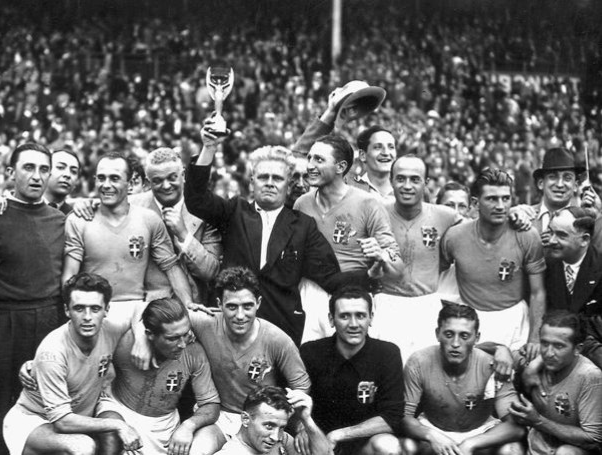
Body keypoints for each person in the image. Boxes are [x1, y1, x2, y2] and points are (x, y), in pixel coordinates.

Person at [185, 118, 368, 345]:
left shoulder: (303, 226)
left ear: (288, 186)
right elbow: (196, 199)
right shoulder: (234, 211)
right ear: (252, 182)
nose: (270, 183)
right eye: (263, 177)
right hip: (230, 325)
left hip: (281, 330)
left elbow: (330, 277)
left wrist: (372, 275)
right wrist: (209, 147)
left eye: (277, 178)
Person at [136, 267, 312, 453]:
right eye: (232, 307)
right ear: (220, 304)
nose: (240, 315)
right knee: (195, 451)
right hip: (221, 418)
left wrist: (292, 420)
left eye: (247, 306)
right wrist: (141, 340)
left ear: (258, 303)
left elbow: (301, 385)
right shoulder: (205, 322)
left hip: (259, 422)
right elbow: (150, 312)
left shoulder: (277, 339)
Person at [0, 142, 65, 455]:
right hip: (3, 322)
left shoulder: (60, 219)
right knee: (1, 406)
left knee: (47, 406)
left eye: (44, 169)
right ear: (9, 173)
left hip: (49, 321)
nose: (37, 176)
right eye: (28, 167)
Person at [3, 273, 142, 455]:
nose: (87, 317)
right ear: (67, 310)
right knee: (83, 446)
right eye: (79, 308)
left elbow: (141, 308)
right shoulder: (53, 352)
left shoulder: (110, 329)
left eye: (95, 308)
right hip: (35, 420)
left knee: (114, 437)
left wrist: (140, 339)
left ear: (107, 309)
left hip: (79, 416)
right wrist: (118, 425)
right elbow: (62, 422)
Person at [63, 152, 195, 325]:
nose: (106, 185)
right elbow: (70, 276)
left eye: (114, 178)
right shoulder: (79, 220)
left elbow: (171, 266)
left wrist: (188, 304)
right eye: (101, 178)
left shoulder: (149, 219)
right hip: (94, 311)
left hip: (136, 312)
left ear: (130, 182)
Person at [294, 133, 403, 342]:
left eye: (319, 159)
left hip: (353, 296)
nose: (310, 166)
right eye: (309, 158)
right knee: (309, 356)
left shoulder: (367, 204)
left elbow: (397, 268)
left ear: (341, 167)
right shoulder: (302, 204)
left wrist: (382, 255)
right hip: (311, 294)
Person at [440, 168, 546, 360]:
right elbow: (436, 275)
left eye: (505, 199)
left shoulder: (527, 236)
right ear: (475, 203)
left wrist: (535, 337)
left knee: (521, 374)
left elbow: (537, 292)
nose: (500, 206)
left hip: (514, 322)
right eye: (492, 199)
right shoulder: (454, 237)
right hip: (469, 321)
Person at [97, 297, 221, 455]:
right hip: (120, 410)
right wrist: (139, 338)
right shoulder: (125, 343)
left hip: (164, 425)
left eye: (186, 334)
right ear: (150, 334)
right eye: (172, 338)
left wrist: (188, 426)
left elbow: (211, 404)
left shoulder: (193, 352)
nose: (182, 344)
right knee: (111, 438)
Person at [402, 303, 525, 455]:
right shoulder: (419, 361)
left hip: (480, 431)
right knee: (407, 446)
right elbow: (404, 418)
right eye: (448, 334)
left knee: (512, 450)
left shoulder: (492, 364)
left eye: (464, 336)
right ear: (437, 334)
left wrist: (471, 443)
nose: (455, 343)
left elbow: (515, 426)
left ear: (476, 338)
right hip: (435, 429)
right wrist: (431, 435)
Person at [371, 154, 460, 362]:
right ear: (391, 180)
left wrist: (520, 212)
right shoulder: (376, 212)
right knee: (388, 370)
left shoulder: (445, 215)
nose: (407, 186)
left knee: (425, 370)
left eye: (415, 179)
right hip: (387, 304)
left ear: (426, 182)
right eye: (401, 179)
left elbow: (478, 227)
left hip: (426, 305)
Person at [300, 285, 404, 455]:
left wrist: (340, 435)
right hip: (319, 441)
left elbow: (393, 417)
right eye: (344, 316)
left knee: (388, 446)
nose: (353, 324)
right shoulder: (310, 352)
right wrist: (303, 428)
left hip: (364, 443)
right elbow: (294, 399)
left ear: (371, 318)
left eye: (360, 315)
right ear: (331, 319)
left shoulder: (387, 354)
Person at [134, 147, 221, 304]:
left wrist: (184, 235)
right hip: (147, 306)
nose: (166, 186)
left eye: (172, 178)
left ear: (183, 175)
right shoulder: (132, 207)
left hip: (194, 306)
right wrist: (87, 206)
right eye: (157, 181)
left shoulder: (205, 209)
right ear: (147, 182)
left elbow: (211, 272)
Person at [509, 310, 602, 454]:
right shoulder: (534, 361)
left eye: (559, 346)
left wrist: (539, 421)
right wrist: (501, 351)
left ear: (578, 349)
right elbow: (498, 353)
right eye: (545, 343)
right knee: (509, 449)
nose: (549, 353)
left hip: (573, 450)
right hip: (536, 447)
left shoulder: (590, 376)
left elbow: (592, 438)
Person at [544, 206, 602, 369]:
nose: (551, 241)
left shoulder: (600, 266)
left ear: (584, 239)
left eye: (561, 235)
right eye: (551, 232)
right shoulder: (545, 265)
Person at [214, 386, 331, 455]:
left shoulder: (281, 439)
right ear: (245, 419)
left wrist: (307, 419)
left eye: (281, 427)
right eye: (269, 426)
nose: (275, 437)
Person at [515, 147, 596, 236]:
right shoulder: (524, 216)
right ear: (541, 183)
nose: (560, 184)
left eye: (567, 178)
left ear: (575, 186)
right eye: (552, 177)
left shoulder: (583, 219)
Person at [348, 126, 397, 201]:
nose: (386, 153)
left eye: (391, 147)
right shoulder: (350, 190)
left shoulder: (406, 189)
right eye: (377, 147)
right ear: (363, 155)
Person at [44, 148, 81, 214]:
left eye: (73, 171)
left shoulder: (74, 215)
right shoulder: (26, 206)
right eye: (60, 167)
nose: (67, 175)